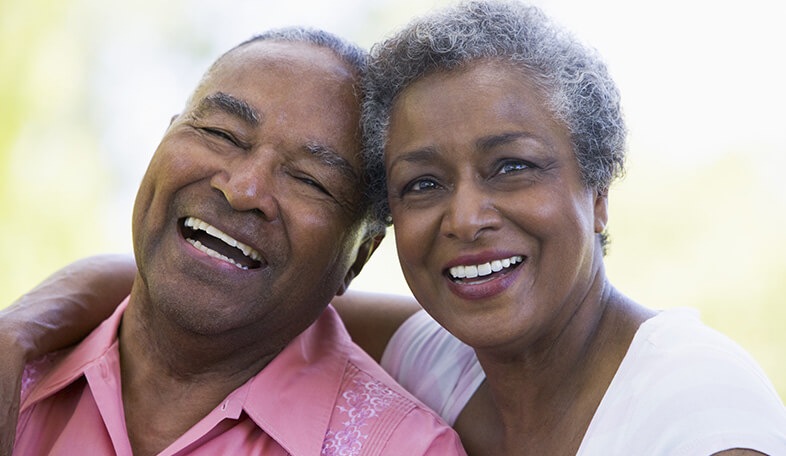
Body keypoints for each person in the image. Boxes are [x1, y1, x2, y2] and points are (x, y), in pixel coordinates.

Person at [3, 1, 786, 455]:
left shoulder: (696, 407)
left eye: (513, 165)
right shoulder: (443, 357)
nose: (468, 215)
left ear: (600, 189)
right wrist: (20, 331)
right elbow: (228, 289)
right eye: (423, 183)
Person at [2, 27, 466, 456]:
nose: (244, 189)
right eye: (221, 133)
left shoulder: (401, 448)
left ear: (358, 258)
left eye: (310, 179)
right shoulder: (19, 375)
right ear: (163, 140)